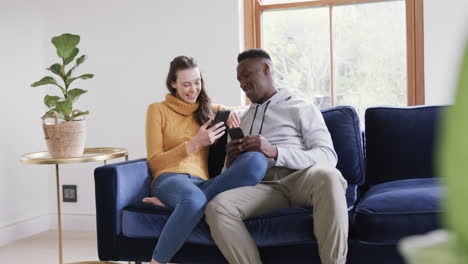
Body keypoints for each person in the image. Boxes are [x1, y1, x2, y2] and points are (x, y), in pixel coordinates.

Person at [204, 49, 349, 264]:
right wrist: (230, 161)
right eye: (238, 79)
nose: (242, 83)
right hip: (264, 186)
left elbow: (328, 156)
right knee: (217, 208)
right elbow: (229, 177)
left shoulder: (300, 107)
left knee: (329, 176)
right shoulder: (240, 119)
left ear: (265, 69)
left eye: (246, 75)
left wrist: (275, 152)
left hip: (302, 178)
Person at [143, 55, 268, 264]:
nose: (193, 89)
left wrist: (231, 116)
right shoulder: (157, 110)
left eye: (197, 82)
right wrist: (194, 143)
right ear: (173, 84)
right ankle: (156, 261)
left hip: (201, 183)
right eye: (186, 84)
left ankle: (177, 205)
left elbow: (244, 110)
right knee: (194, 199)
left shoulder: (211, 110)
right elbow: (154, 161)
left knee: (256, 162)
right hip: (170, 179)